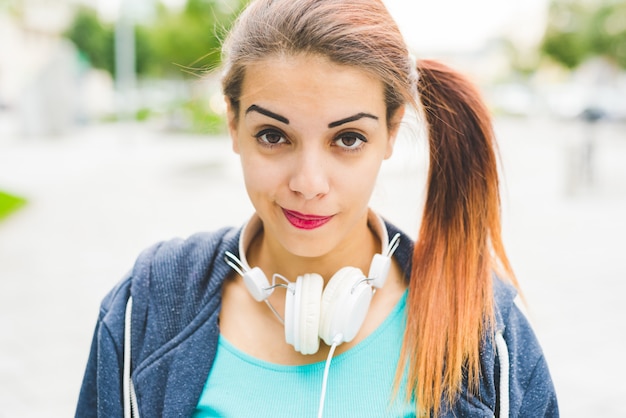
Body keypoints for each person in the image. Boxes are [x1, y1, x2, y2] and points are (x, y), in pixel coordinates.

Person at [75, 0, 559, 417]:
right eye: (273, 136)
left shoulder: (485, 332)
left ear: (392, 132)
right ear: (233, 123)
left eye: (348, 139)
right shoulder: (149, 308)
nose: (308, 184)